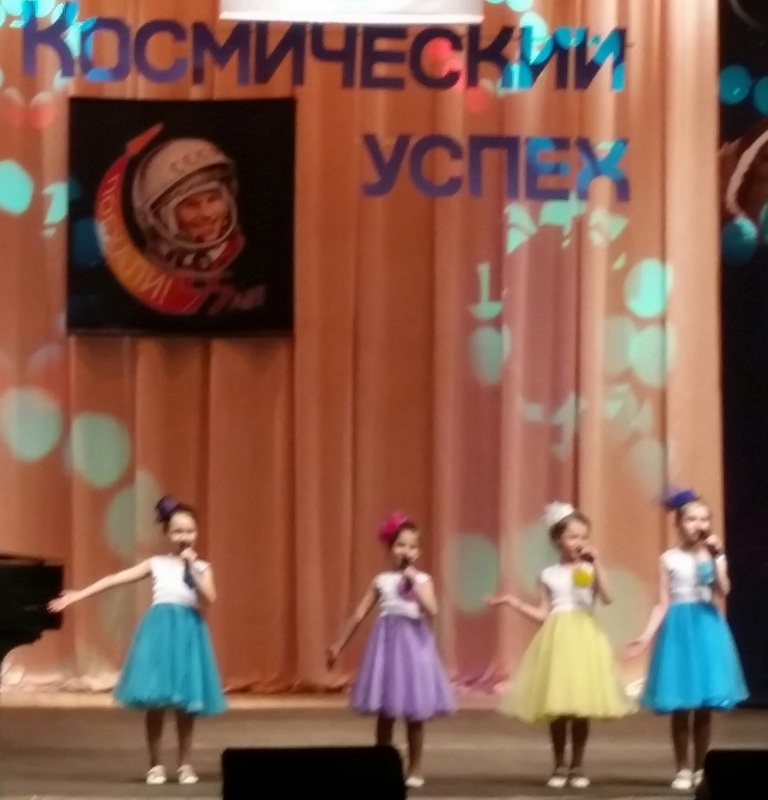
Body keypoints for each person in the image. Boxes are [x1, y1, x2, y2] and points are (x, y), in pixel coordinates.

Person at [48, 495, 227, 785]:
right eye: (177, 531)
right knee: (156, 703)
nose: (184, 536)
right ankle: (155, 765)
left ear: (196, 533)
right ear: (167, 533)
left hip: (188, 634)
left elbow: (210, 597)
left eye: (189, 531)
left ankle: (185, 765)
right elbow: (114, 579)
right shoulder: (156, 564)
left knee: (187, 706)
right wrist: (79, 594)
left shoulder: (202, 567)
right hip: (159, 632)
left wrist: (193, 566)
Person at [487, 502, 632, 789]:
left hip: (585, 637)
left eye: (584, 537)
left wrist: (597, 563)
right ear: (557, 540)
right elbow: (544, 613)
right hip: (557, 639)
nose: (580, 542)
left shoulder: (590, 569)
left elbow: (608, 597)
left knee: (580, 706)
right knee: (558, 705)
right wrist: (514, 603)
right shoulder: (548, 574)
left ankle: (578, 765)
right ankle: (558, 765)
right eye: (573, 536)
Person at [625, 489, 748, 791]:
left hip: (706, 627)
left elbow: (723, 590)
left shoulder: (715, 555)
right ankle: (682, 768)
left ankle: (701, 768)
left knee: (704, 704)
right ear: (678, 524)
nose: (699, 525)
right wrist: (646, 636)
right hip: (679, 629)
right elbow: (663, 602)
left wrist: (715, 557)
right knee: (681, 702)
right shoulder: (669, 558)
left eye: (704, 519)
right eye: (692, 519)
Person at [326, 512, 455, 788]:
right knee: (385, 713)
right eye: (400, 545)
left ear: (418, 552)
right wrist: (339, 644)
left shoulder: (423, 579)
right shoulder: (381, 580)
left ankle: (415, 768)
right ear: (390, 548)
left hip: (413, 648)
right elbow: (359, 613)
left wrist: (414, 582)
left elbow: (432, 610)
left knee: (415, 714)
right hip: (386, 648)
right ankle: (381, 766)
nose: (405, 550)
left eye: (411, 546)